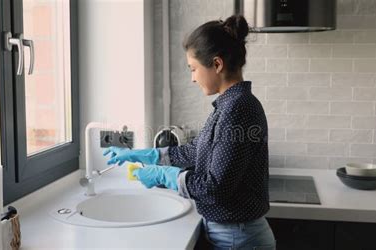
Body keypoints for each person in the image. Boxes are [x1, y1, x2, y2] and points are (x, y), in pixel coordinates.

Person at [103, 14, 276, 250]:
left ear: (217, 64)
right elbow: (195, 151)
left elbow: (215, 190)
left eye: (193, 69)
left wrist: (167, 176)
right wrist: (146, 155)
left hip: (238, 239)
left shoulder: (237, 109)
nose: (192, 78)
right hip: (232, 235)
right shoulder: (229, 104)